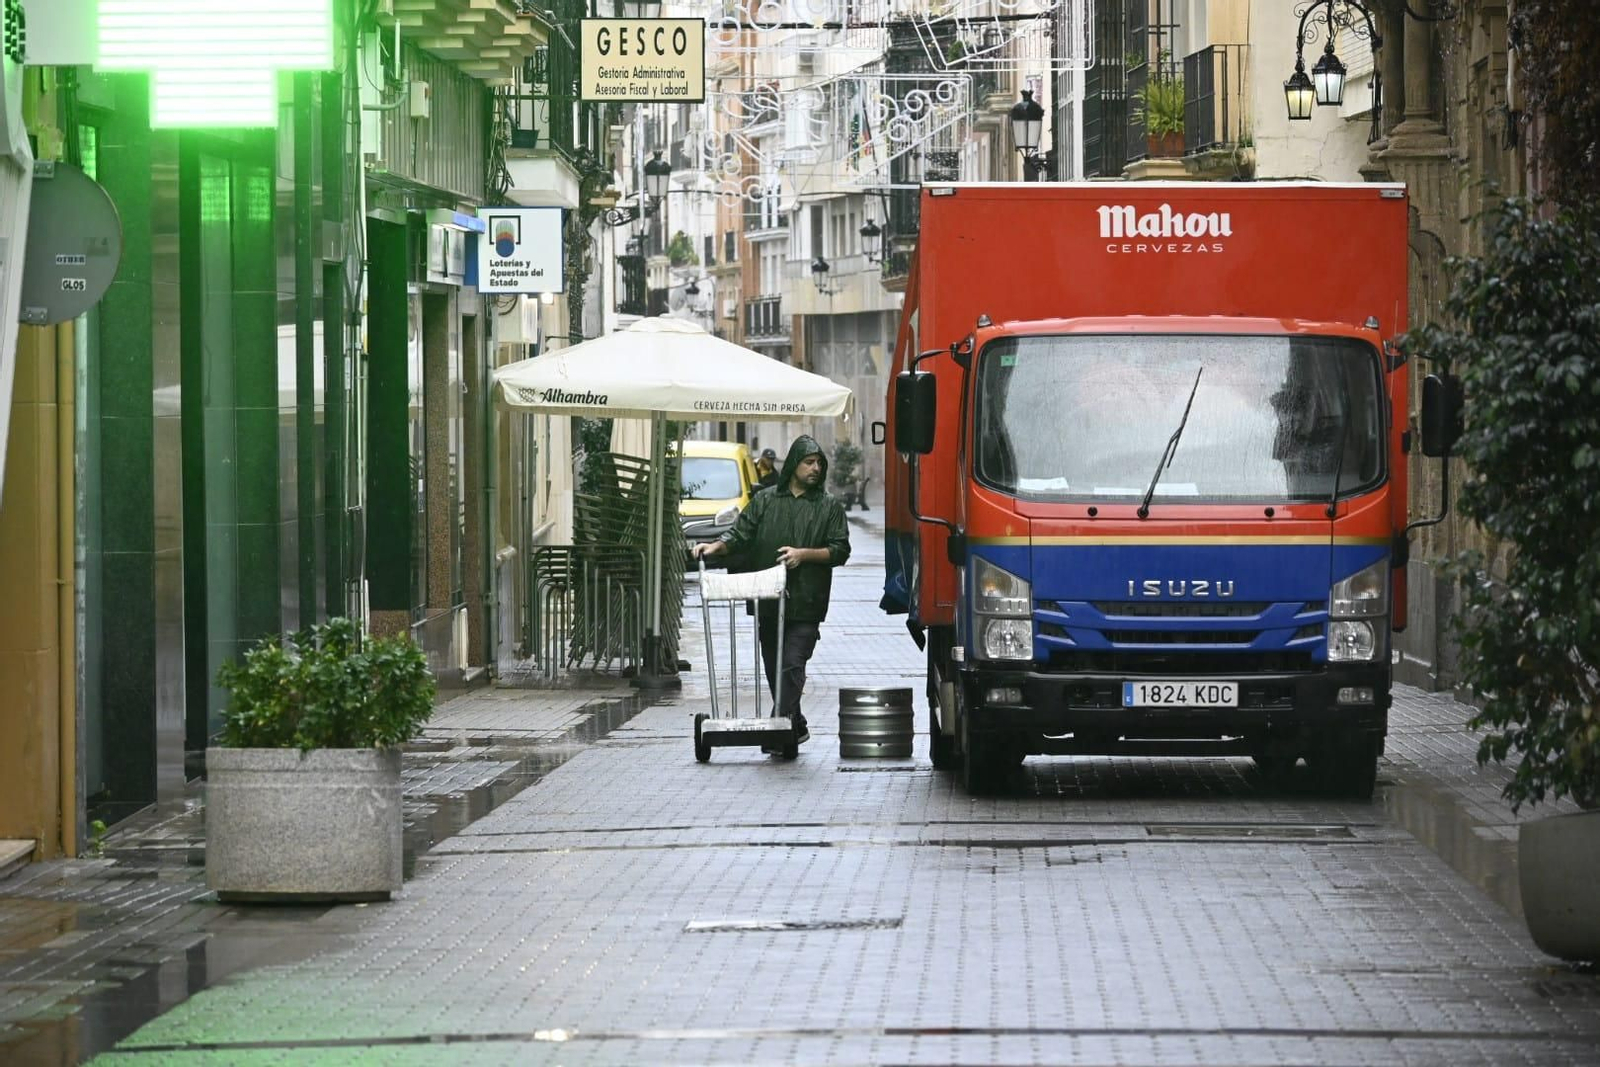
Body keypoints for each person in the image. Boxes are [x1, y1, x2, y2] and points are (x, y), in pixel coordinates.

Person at [693, 436, 850, 746]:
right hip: (768, 600)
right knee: (774, 666)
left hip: (807, 600)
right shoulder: (765, 500)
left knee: (792, 663)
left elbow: (840, 550)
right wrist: (715, 546)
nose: (815, 468)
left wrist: (803, 555)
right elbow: (740, 533)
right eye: (809, 462)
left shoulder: (828, 505)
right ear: (793, 464)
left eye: (819, 463)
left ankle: (777, 729)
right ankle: (794, 723)